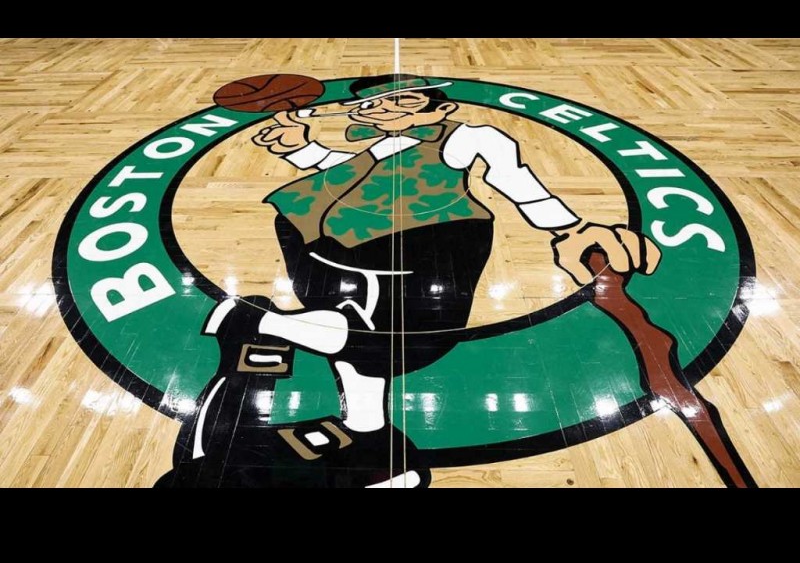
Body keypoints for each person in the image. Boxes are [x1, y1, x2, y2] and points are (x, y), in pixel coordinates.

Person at [155, 74, 660, 489]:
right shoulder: (379, 147)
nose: (383, 110)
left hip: (424, 246)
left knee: (396, 337)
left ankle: (265, 331)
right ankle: (358, 421)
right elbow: (345, 173)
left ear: (440, 108)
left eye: (403, 101)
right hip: (334, 246)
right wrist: (301, 149)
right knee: (366, 337)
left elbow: (512, 177)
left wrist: (571, 228)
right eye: (375, 105)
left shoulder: (466, 138)